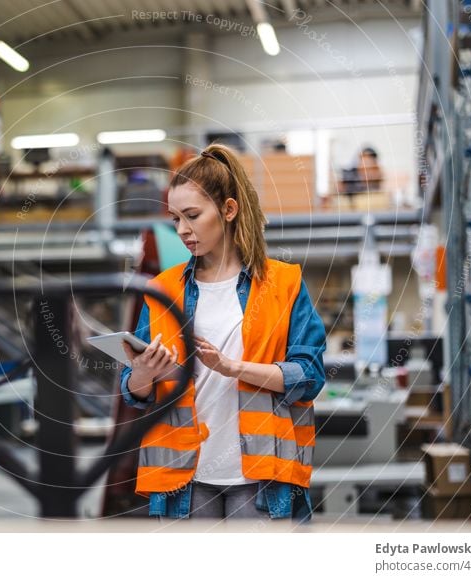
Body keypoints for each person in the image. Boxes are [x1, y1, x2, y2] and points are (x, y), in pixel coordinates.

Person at [119, 144, 326, 520]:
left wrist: (233, 368)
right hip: (184, 476)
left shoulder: (283, 283)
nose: (182, 230)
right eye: (175, 219)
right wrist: (143, 375)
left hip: (261, 477)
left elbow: (309, 377)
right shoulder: (163, 290)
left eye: (192, 216)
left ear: (229, 210)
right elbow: (134, 395)